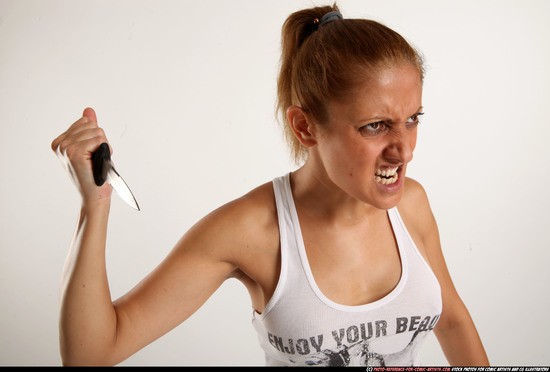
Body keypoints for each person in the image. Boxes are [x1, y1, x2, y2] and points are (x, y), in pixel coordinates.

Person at [50, 4, 489, 367]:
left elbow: (452, 323)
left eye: (412, 119)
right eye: (376, 126)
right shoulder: (250, 231)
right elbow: (91, 353)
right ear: (305, 127)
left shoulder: (411, 205)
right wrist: (96, 205)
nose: (404, 150)